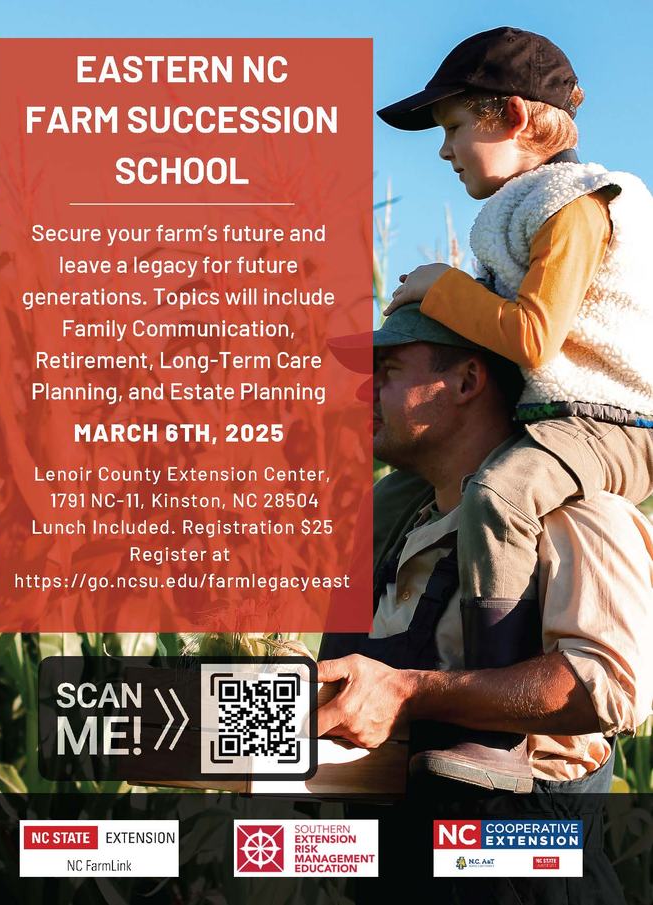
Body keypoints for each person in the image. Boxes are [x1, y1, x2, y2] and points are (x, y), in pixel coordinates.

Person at [372, 26, 653, 785]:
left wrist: (441, 286)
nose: (443, 150)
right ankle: (346, 680)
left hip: (608, 423)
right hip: (557, 420)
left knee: (500, 492)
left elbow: (532, 338)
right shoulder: (519, 209)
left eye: (456, 128)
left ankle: (496, 736)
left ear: (515, 118)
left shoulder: (575, 205)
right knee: (384, 504)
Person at [317, 306, 652, 901]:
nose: (366, 393)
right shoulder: (401, 530)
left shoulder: (576, 517)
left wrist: (407, 692)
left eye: (389, 371)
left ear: (468, 382)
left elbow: (607, 686)